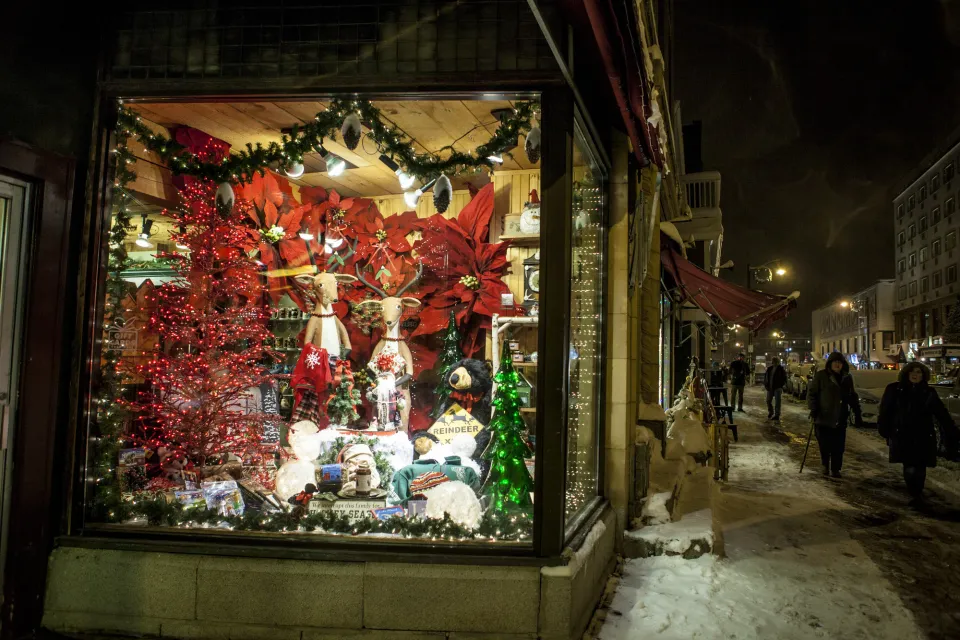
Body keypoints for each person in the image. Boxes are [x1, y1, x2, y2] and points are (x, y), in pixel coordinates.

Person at [877, 362, 959, 504]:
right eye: (912, 372)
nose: (915, 375)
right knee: (909, 465)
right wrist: (885, 429)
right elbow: (885, 411)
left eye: (919, 372)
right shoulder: (895, 389)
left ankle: (918, 493)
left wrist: (951, 430)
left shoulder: (928, 392)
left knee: (920, 466)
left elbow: (941, 413)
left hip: (923, 435)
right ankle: (914, 492)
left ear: (923, 375)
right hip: (903, 434)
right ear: (907, 373)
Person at [807, 352, 861, 478]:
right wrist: (813, 408)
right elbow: (812, 394)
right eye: (835, 362)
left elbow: (852, 396)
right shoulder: (821, 376)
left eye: (840, 362)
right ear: (830, 363)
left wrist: (857, 411)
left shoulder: (847, 378)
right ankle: (825, 465)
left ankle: (836, 469)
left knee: (838, 446)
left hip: (840, 417)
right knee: (824, 444)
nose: (837, 364)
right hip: (823, 417)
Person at [764, 357, 787, 421]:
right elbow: (766, 377)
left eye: (775, 361)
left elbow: (784, 378)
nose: (774, 362)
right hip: (770, 387)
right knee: (768, 401)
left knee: (777, 402)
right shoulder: (770, 368)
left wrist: (781, 385)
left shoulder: (781, 369)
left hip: (777, 387)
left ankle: (777, 415)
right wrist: (766, 385)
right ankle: (771, 412)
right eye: (773, 361)